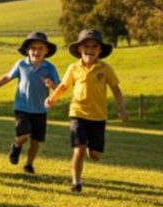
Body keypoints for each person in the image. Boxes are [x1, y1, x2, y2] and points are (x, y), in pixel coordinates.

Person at [46, 29, 129, 193]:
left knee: (95, 155)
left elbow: (116, 89)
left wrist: (122, 108)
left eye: (94, 46)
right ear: (79, 49)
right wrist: (52, 99)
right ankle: (76, 182)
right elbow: (63, 86)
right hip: (78, 113)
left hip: (98, 117)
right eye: (86, 46)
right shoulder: (73, 68)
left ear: (100, 50)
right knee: (79, 149)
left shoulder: (105, 68)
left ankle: (91, 150)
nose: (90, 49)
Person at [0, 31, 60, 174]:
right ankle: (16, 146)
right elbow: (7, 77)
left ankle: (29, 164)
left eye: (41, 48)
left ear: (47, 51)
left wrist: (52, 85)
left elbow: (59, 87)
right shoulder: (21, 64)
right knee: (24, 136)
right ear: (27, 50)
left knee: (36, 141)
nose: (36, 51)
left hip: (41, 110)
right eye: (33, 48)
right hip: (22, 107)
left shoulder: (50, 68)